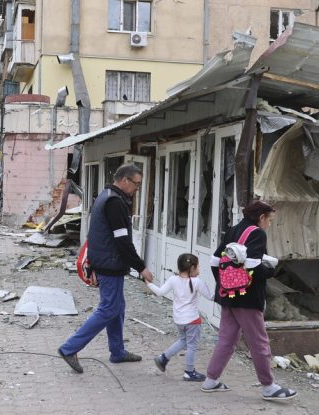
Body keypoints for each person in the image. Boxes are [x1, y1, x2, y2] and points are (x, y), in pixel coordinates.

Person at [58, 164, 154, 373]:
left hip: (106, 262)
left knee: (117, 307)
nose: (138, 188)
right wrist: (141, 267)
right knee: (109, 308)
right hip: (111, 264)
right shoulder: (115, 203)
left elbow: (94, 235)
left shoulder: (105, 195)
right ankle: (69, 348)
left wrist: (92, 264)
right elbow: (122, 242)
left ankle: (117, 351)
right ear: (124, 180)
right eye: (136, 184)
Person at [200, 200, 297, 401]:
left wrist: (225, 282)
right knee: (259, 342)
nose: (269, 224)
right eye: (269, 220)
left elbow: (215, 261)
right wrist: (271, 270)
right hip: (248, 297)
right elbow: (253, 267)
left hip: (228, 295)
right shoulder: (257, 233)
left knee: (226, 340)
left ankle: (211, 380)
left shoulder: (233, 230)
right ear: (261, 217)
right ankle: (269, 387)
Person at [148, 253, 213, 382]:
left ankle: (163, 358)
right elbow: (211, 296)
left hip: (179, 320)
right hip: (192, 320)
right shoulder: (197, 282)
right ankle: (189, 372)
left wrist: (149, 283)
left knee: (183, 340)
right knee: (192, 346)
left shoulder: (173, 279)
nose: (199, 270)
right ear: (192, 268)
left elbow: (160, 292)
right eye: (198, 267)